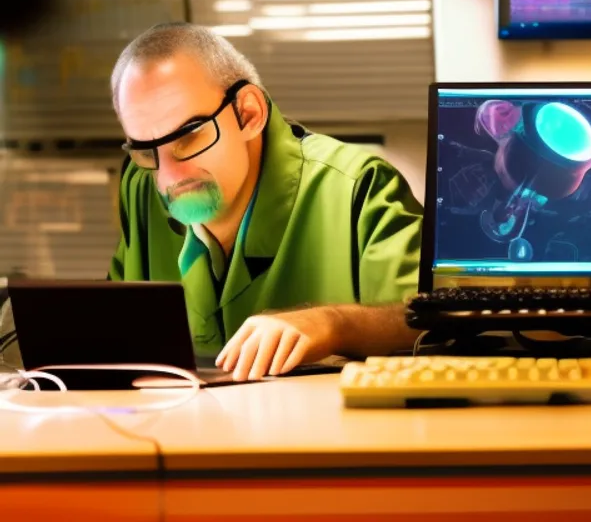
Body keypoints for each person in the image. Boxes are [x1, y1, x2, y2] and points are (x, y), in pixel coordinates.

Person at [2, 22, 425, 380]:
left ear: (248, 113)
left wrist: (331, 324)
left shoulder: (357, 184)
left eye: (188, 136)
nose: (169, 177)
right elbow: (121, 320)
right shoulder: (141, 183)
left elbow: (429, 322)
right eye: (146, 150)